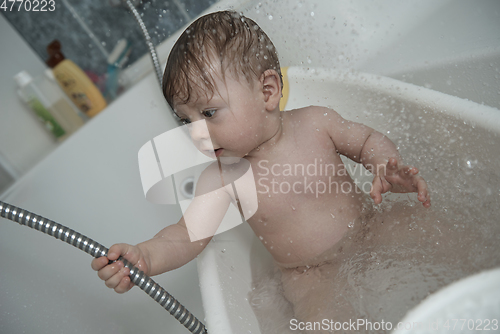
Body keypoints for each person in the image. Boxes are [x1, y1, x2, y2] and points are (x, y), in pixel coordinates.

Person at [91, 10, 431, 331]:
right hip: (311, 274)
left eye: (208, 113)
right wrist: (146, 257)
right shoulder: (222, 178)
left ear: (267, 91)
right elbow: (185, 236)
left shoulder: (316, 122)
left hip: (371, 229)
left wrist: (384, 166)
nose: (196, 132)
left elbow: (367, 140)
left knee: (444, 238)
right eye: (186, 120)